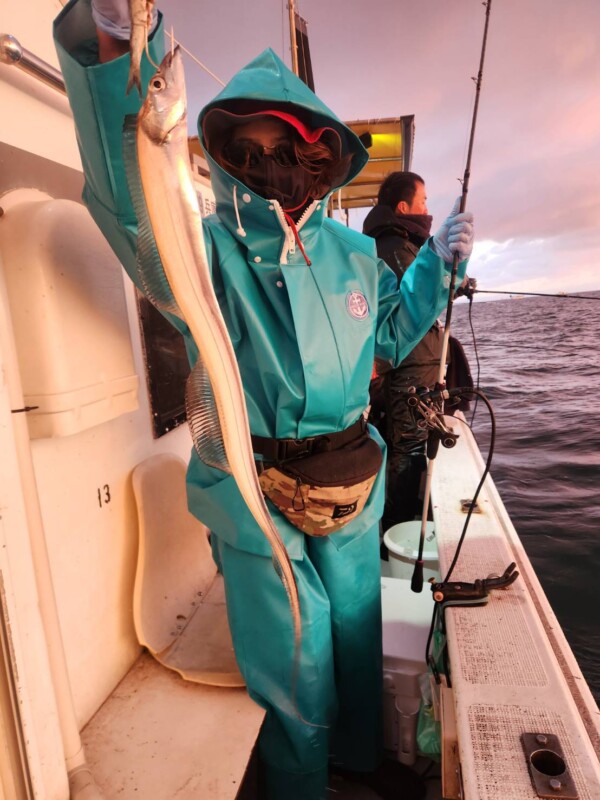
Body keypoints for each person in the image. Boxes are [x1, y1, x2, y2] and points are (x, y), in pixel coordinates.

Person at [53, 4, 475, 799]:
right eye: (256, 149)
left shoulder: (356, 251)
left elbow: (387, 334)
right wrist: (116, 57)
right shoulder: (199, 244)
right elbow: (129, 206)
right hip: (254, 487)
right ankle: (299, 787)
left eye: (296, 150)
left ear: (325, 159)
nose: (279, 166)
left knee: (354, 628)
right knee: (297, 649)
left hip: (354, 473)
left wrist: (437, 270)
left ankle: (357, 763)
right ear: (226, 154)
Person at [363, 172, 475, 534]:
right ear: (402, 207)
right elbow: (406, 306)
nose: (427, 209)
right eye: (423, 201)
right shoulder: (393, 246)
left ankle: (403, 521)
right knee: (408, 449)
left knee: (411, 447)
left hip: (414, 365)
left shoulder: (400, 244)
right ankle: (397, 528)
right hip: (409, 368)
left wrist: (455, 282)